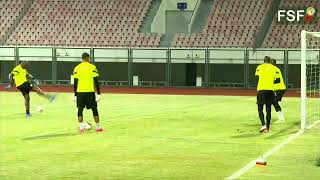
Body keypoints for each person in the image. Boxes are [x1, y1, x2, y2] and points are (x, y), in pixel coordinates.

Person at [73, 52, 103, 133]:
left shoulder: (77, 68)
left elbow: (75, 82)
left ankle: (81, 128)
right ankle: (98, 127)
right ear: (87, 58)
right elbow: (96, 81)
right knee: (94, 109)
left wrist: (75, 95)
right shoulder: (92, 67)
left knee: (80, 109)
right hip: (90, 92)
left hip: (80, 92)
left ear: (82, 58)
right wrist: (99, 93)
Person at [255, 56, 279, 133]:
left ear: (264, 61)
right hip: (270, 90)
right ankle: (267, 127)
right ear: (269, 61)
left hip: (261, 89)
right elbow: (277, 80)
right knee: (268, 109)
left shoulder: (259, 67)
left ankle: (263, 125)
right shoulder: (274, 68)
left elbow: (256, 77)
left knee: (260, 108)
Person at [270, 58, 286, 123]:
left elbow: (277, 80)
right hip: (279, 89)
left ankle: (281, 118)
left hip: (279, 89)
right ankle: (281, 118)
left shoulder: (274, 70)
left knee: (274, 102)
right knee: (274, 102)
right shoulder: (276, 69)